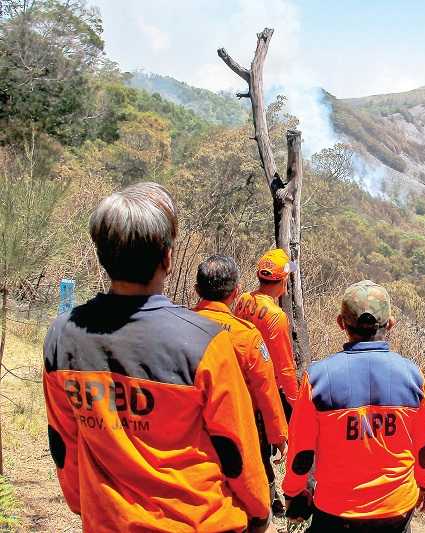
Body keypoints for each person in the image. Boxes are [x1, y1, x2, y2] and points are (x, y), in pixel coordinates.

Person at [43, 182, 271, 532]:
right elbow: (236, 446)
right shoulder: (205, 342)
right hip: (198, 521)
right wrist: (258, 510)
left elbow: (64, 442)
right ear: (167, 258)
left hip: (108, 521)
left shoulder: (63, 337)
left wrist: (82, 503)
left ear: (101, 255)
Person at [283, 280, 425, 533]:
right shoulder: (413, 376)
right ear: (390, 324)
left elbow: (301, 448)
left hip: (337, 511)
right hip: (396, 509)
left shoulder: (319, 378)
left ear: (341, 323)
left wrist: (293, 492)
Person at [193, 255, 289, 513]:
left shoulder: (179, 324)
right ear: (235, 292)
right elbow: (266, 389)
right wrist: (279, 434)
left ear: (196, 290)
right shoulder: (247, 336)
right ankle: (264, 506)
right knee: (253, 461)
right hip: (241, 413)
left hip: (190, 417)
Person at [234, 248, 300, 515]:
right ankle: (279, 497)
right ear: (283, 282)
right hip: (264, 386)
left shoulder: (243, 300)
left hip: (240, 381)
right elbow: (284, 366)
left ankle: (268, 492)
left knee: (255, 444)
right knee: (271, 444)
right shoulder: (276, 317)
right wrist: (296, 402)